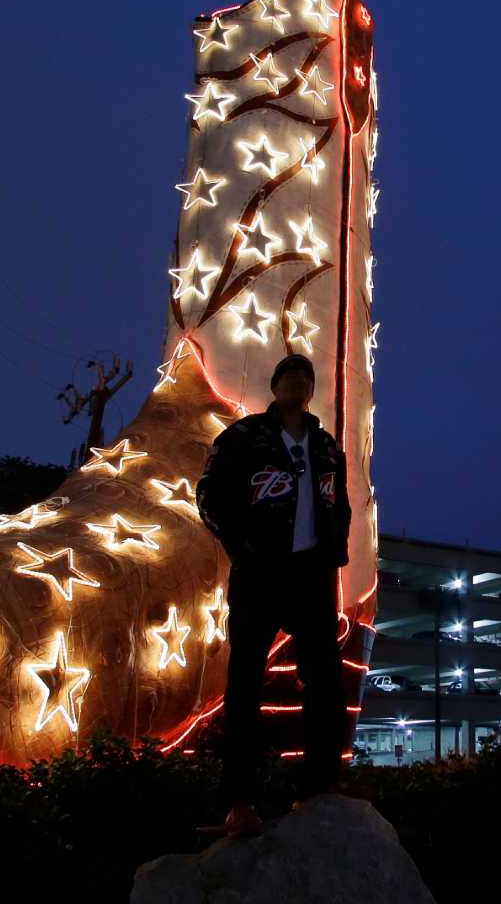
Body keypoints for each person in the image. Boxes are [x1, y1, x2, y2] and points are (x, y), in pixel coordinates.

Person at [196, 353, 353, 838]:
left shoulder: (326, 446)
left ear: (311, 388)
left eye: (305, 377)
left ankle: (318, 789)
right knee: (245, 683)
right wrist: (242, 545)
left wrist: (333, 551)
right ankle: (239, 802)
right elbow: (209, 493)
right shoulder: (244, 437)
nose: (298, 383)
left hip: (311, 574)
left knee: (325, 683)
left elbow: (340, 504)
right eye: (289, 376)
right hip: (261, 572)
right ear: (275, 385)